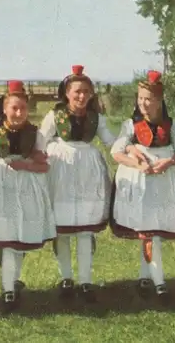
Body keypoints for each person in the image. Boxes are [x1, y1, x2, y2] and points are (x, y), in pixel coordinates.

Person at [39, 65, 145, 303]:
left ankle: (85, 281)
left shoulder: (96, 118)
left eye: (86, 92)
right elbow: (39, 142)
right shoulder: (54, 116)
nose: (81, 96)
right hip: (61, 172)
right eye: (77, 91)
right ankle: (66, 277)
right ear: (67, 92)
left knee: (85, 229)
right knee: (63, 228)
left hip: (88, 173)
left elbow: (111, 142)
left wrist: (130, 147)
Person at [109, 70, 175, 301]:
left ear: (160, 101)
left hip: (165, 182)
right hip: (140, 183)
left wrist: (168, 161)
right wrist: (136, 161)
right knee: (148, 231)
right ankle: (159, 283)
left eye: (148, 99)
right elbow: (116, 152)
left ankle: (144, 276)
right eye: (140, 98)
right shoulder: (131, 125)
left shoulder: (172, 125)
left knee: (152, 230)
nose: (143, 103)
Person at [0, 80, 57, 310]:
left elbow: (44, 165)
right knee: (8, 235)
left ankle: (12, 280)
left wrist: (27, 165)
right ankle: (8, 289)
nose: (19, 113)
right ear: (4, 108)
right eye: (14, 108)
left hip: (26, 188)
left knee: (21, 234)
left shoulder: (35, 133)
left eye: (23, 108)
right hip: (0, 188)